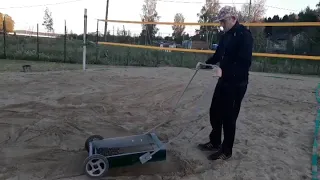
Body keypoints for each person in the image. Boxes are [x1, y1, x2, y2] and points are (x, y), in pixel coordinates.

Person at [197, 6, 253, 161]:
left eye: (223, 20)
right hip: (224, 81)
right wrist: (206, 64)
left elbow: (244, 63)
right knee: (215, 111)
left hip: (237, 83)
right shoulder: (225, 36)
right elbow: (218, 55)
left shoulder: (244, 35)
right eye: (220, 21)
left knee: (229, 117)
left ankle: (226, 150)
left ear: (233, 18)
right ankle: (215, 142)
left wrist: (225, 72)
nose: (221, 24)